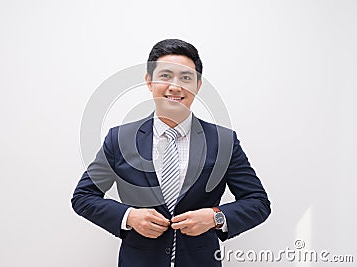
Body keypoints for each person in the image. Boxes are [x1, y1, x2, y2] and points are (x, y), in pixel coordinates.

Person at [71, 39, 271, 267]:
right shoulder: (120, 139)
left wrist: (215, 217)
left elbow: (258, 202)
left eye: (185, 78)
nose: (175, 87)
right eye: (165, 76)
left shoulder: (223, 141)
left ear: (198, 85)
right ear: (149, 82)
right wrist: (130, 217)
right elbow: (83, 197)